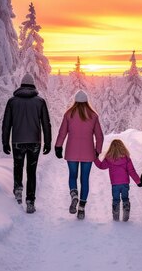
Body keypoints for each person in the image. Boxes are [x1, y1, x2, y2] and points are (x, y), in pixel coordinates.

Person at [2, 73, 52, 214]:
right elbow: (46, 124)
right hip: (34, 142)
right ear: (33, 85)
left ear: (21, 85)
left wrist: (5, 142)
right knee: (31, 172)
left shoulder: (12, 102)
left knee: (17, 166)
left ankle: (18, 190)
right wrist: (47, 142)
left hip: (17, 141)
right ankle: (30, 201)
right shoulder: (40, 102)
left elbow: (6, 124)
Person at [55, 90, 103, 220]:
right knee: (84, 179)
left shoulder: (68, 114)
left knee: (72, 176)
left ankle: (74, 194)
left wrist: (58, 146)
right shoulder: (93, 116)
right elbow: (99, 136)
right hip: (88, 153)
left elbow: (62, 133)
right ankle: (81, 208)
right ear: (87, 101)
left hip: (71, 152)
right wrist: (97, 151)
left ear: (75, 101)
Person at [94, 139, 141, 222]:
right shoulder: (126, 159)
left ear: (111, 148)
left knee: (116, 200)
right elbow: (131, 171)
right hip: (125, 184)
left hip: (115, 184)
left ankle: (116, 216)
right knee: (125, 198)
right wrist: (138, 181)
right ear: (122, 147)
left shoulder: (109, 158)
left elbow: (101, 166)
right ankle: (126, 210)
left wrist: (95, 158)